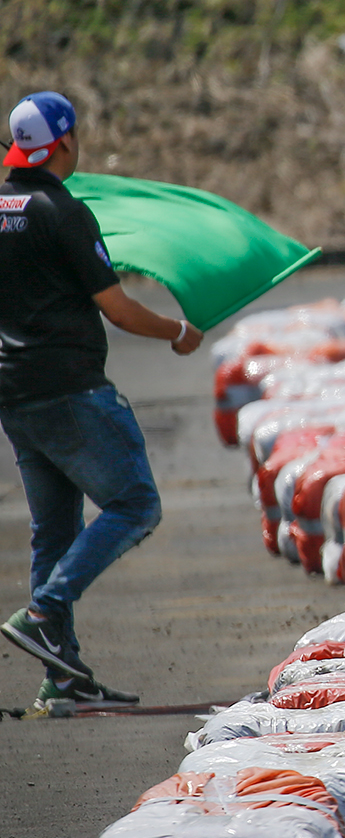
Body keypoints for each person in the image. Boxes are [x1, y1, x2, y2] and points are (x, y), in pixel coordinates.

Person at [0, 92, 202, 710]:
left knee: (55, 533)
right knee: (136, 503)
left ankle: (63, 683)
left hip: (15, 395)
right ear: (64, 141)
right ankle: (44, 612)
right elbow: (117, 308)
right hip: (70, 389)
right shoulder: (64, 212)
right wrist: (178, 331)